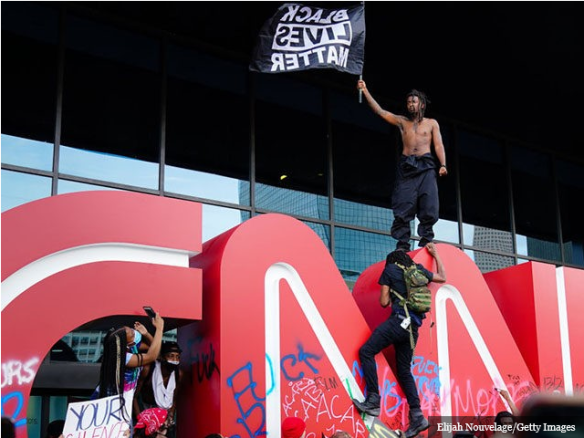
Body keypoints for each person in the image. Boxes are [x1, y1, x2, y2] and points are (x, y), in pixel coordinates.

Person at [352, 243, 446, 438]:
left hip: (397, 322)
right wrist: (435, 254)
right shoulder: (418, 270)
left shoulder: (390, 270)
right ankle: (417, 415)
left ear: (391, 261)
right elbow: (442, 277)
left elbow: (383, 302)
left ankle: (373, 399)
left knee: (366, 351)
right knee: (404, 371)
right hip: (412, 330)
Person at [357, 80, 448, 251]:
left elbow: (438, 145)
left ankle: (426, 240)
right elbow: (380, 111)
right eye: (408, 102)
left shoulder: (431, 123)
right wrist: (365, 90)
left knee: (429, 202)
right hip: (407, 167)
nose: (411, 104)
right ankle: (403, 244)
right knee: (402, 203)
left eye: (414, 101)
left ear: (421, 104)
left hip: (426, 166)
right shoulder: (402, 122)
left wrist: (443, 164)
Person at [93, 312, 165, 424]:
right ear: (126, 344)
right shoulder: (124, 358)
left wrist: (146, 334)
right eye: (131, 333)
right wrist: (159, 328)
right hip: (109, 402)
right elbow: (152, 356)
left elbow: (155, 349)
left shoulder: (130, 348)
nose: (134, 331)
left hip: (122, 400)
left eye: (130, 329)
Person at [134, 341, 184, 438]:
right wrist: (141, 418)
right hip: (146, 411)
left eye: (177, 357)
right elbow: (134, 396)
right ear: (162, 357)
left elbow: (174, 398)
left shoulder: (178, 374)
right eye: (171, 356)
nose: (175, 360)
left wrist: (170, 416)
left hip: (164, 417)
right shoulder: (148, 370)